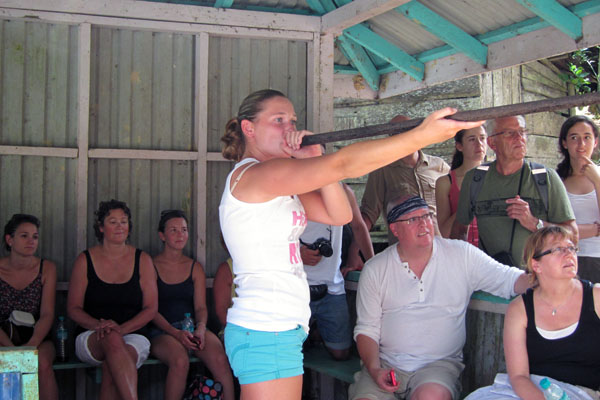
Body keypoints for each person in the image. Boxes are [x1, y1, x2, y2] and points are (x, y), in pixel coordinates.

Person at [219, 89, 483, 400]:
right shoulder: (256, 174)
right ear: (249, 128)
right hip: (265, 328)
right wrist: (420, 135)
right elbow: (344, 164)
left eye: (292, 120)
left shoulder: (277, 182)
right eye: (278, 120)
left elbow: (339, 214)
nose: (289, 129)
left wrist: (317, 160)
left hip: (277, 327)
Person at [349, 195, 530, 400]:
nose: (424, 224)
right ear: (394, 229)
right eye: (412, 219)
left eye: (426, 216)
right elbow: (366, 329)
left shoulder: (461, 255)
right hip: (385, 364)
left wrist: (547, 279)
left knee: (431, 397)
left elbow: (509, 279)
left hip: (438, 367)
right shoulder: (375, 269)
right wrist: (374, 370)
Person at [453, 115, 577, 268]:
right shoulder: (475, 179)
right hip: (491, 281)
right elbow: (458, 232)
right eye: (509, 133)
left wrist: (535, 223)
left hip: (538, 280)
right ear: (492, 142)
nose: (519, 138)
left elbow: (573, 234)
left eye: (522, 132)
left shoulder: (545, 178)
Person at [67, 200, 157, 400]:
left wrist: (121, 329)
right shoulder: (84, 260)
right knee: (112, 341)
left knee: (112, 363)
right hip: (92, 334)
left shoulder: (143, 260)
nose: (119, 227)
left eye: (124, 222)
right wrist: (100, 326)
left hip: (133, 334)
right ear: (101, 227)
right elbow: (73, 308)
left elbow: (151, 308)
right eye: (113, 222)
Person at [503, 226, 600, 400]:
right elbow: (519, 376)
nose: (569, 254)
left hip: (585, 393)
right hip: (531, 393)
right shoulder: (519, 309)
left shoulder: (597, 298)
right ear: (536, 264)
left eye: (571, 248)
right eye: (558, 249)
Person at [147, 210, 234, 400]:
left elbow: (201, 308)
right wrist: (175, 332)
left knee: (220, 358)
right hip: (161, 331)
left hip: (192, 328)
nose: (180, 235)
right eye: (174, 230)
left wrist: (201, 328)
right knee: (180, 361)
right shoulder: (150, 265)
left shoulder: (194, 266)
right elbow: (150, 310)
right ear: (162, 235)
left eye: (184, 230)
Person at [300, 184, 372, 361]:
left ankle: (316, 333)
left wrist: (373, 264)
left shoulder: (345, 192)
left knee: (341, 353)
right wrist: (297, 253)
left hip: (332, 287)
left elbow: (358, 227)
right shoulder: (290, 190)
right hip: (297, 288)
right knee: (290, 352)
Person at [360, 115, 450, 245]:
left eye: (408, 130)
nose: (404, 136)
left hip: (440, 245)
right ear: (391, 138)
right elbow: (369, 213)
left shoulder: (439, 166)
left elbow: (457, 204)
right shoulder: (382, 169)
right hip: (406, 249)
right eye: (397, 133)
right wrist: (355, 251)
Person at [0, 214, 58, 400]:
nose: (31, 241)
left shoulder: (46, 268)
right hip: (3, 336)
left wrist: (30, 347)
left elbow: (47, 314)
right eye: (24, 236)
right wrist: (11, 350)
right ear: (10, 240)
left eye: (35, 236)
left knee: (40, 362)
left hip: (37, 336)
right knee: (9, 362)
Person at [556, 115, 600, 283]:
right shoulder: (556, 180)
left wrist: (596, 180)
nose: (581, 144)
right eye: (574, 138)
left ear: (595, 141)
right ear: (565, 143)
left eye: (587, 137)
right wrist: (595, 230)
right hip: (566, 259)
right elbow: (551, 228)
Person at [435, 126, 487, 244]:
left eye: (482, 138)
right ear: (459, 146)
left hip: (493, 251)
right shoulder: (445, 182)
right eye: (472, 139)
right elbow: (445, 232)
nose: (479, 144)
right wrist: (468, 201)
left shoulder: (497, 176)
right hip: (463, 251)